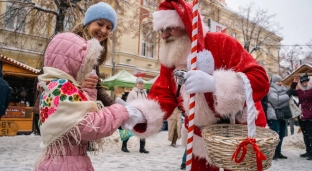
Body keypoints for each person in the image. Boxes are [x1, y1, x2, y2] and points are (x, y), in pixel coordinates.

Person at [115, 0, 270, 170]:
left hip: (238, 128)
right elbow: (163, 95)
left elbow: (260, 80)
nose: (164, 35)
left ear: (187, 26)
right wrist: (141, 114)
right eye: (161, 30)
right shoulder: (171, 60)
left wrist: (215, 84)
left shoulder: (221, 42)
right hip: (200, 134)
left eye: (169, 28)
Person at [34, 2, 145, 170]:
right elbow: (54, 79)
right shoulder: (73, 46)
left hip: (72, 145)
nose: (104, 31)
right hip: (65, 128)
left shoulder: (93, 51)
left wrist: (117, 107)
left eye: (109, 27)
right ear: (88, 22)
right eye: (100, 24)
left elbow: (96, 87)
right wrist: (120, 111)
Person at [121, 78, 149, 153]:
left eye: (142, 84)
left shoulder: (145, 93)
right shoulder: (132, 93)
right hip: (134, 113)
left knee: (143, 130)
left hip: (143, 114)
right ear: (136, 84)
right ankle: (124, 145)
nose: (140, 85)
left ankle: (142, 147)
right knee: (129, 129)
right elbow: (129, 103)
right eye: (139, 83)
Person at [289, 73, 312, 160]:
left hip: (310, 115)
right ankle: (308, 151)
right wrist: (294, 83)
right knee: (305, 134)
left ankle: (311, 153)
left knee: (310, 135)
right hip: (301, 115)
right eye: (302, 82)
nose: (304, 84)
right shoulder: (300, 91)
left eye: (306, 82)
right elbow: (291, 91)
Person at [267, 75, 290, 160]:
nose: (280, 83)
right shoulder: (271, 89)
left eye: (281, 81)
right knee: (275, 135)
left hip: (282, 115)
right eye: (278, 81)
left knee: (282, 134)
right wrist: (287, 95)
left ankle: (278, 152)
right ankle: (273, 153)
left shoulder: (284, 89)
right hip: (274, 115)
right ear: (274, 82)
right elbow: (275, 100)